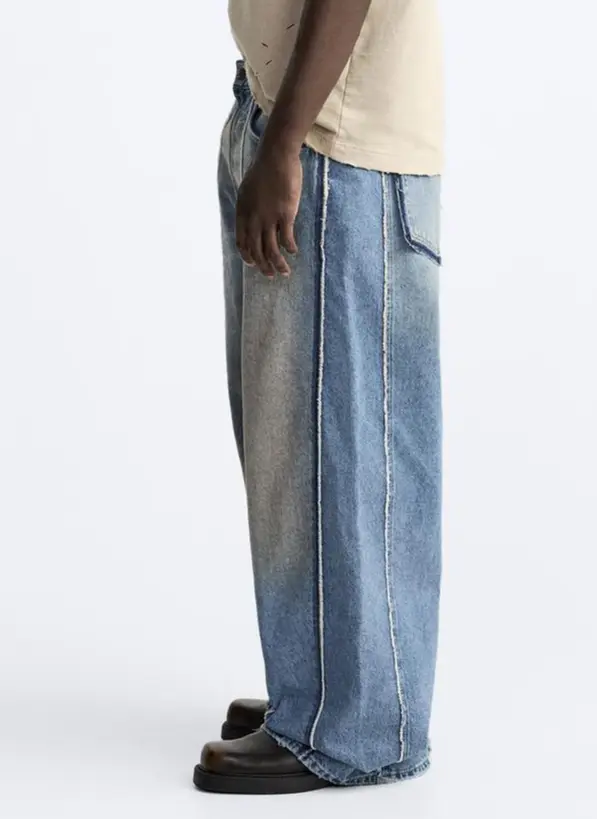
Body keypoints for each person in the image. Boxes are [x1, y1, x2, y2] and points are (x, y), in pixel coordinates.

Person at [193, 0, 444, 794]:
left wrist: (283, 142)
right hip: (291, 119)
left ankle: (355, 728)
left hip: (331, 147)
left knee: (337, 456)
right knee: (293, 450)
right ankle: (320, 688)